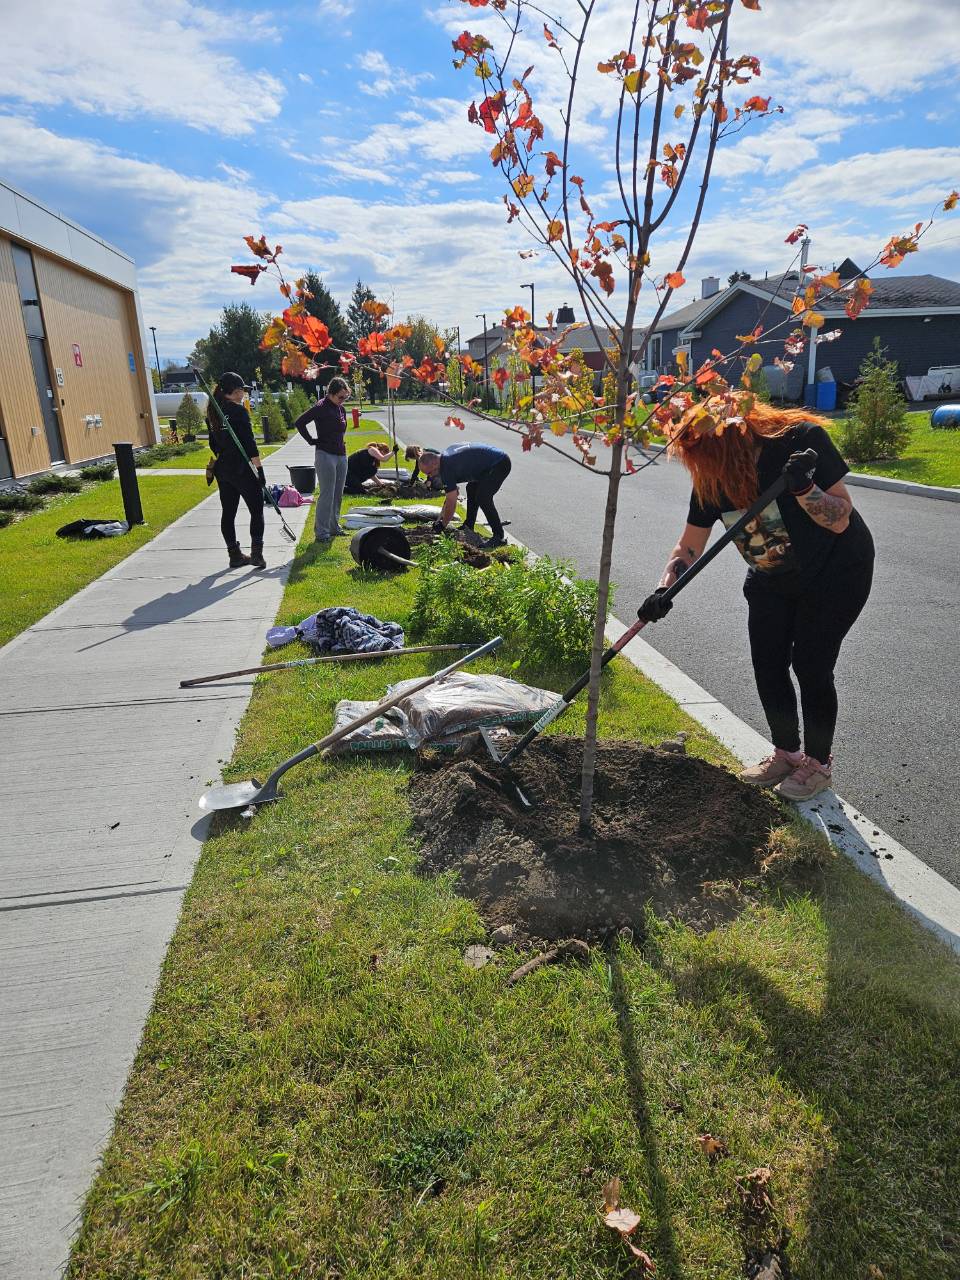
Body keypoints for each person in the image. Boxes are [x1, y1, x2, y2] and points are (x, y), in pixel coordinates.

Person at [639, 400, 874, 801]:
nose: (696, 465)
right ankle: (786, 753)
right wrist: (665, 588)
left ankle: (818, 764)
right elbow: (689, 546)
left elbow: (840, 519)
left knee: (812, 664)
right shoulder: (711, 478)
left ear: (729, 439)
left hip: (837, 571)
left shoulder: (800, 442)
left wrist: (804, 487)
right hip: (771, 574)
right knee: (768, 662)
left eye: (701, 454)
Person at [206, 371, 266, 569]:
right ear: (229, 392)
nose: (242, 394)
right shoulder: (239, 412)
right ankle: (256, 555)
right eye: (239, 391)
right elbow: (249, 444)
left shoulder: (213, 412)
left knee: (228, 512)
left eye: (242, 390)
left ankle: (234, 555)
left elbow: (213, 445)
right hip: (242, 469)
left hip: (223, 470)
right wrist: (259, 470)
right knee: (256, 509)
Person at [417, 442, 511, 548]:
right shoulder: (444, 458)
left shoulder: (446, 467)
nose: (430, 477)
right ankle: (469, 526)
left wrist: (443, 524)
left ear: (434, 464)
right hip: (485, 466)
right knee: (471, 489)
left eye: (429, 473)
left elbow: (452, 502)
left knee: (483, 497)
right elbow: (451, 495)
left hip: (499, 463)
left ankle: (499, 537)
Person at [293, 375, 351, 542]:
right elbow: (300, 422)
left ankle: (334, 527)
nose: (343, 400)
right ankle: (322, 532)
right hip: (325, 455)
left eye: (345, 397)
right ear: (331, 394)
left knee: (338, 494)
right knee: (327, 494)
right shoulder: (321, 407)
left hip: (341, 455)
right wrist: (311, 440)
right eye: (340, 397)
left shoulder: (341, 408)